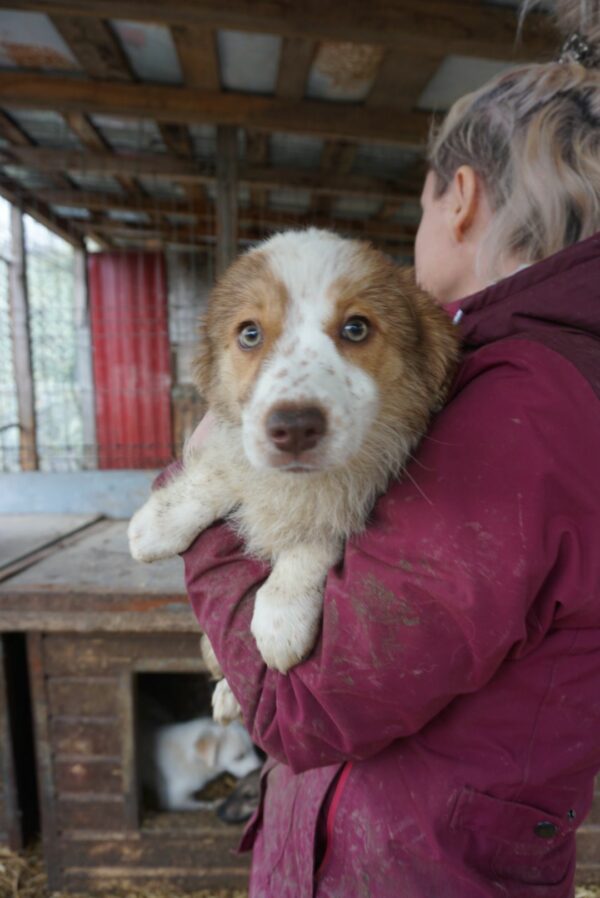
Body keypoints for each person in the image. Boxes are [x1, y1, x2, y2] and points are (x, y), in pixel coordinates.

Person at [174, 2, 600, 895]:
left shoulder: (524, 404)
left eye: (419, 202)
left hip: (410, 868)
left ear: (460, 198)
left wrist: (202, 501)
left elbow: (306, 703)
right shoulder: (518, 367)